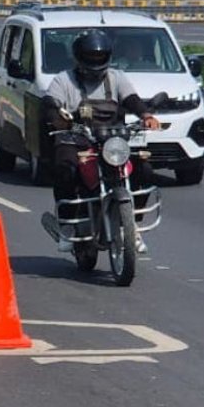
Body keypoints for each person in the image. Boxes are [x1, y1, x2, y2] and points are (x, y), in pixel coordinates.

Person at [44, 30, 161, 253]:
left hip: (111, 142)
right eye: (90, 57)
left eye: (100, 57)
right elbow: (50, 104)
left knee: (145, 169)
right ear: (79, 57)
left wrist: (145, 115)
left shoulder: (116, 78)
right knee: (64, 168)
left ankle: (133, 225)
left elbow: (132, 100)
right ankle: (67, 225)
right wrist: (57, 118)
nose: (95, 62)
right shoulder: (63, 80)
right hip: (75, 140)